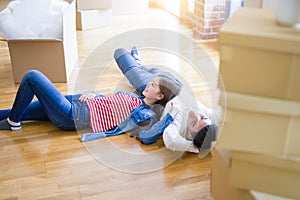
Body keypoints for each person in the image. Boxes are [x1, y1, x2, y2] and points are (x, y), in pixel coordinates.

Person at [0, 67, 181, 138]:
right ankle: (13, 120)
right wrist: (94, 95)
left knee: (32, 76)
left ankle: (13, 123)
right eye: (152, 81)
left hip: (72, 116)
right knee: (13, 110)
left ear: (159, 97)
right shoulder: (137, 97)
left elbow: (147, 137)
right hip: (75, 102)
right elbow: (111, 103)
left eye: (154, 84)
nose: (149, 83)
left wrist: (170, 117)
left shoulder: (145, 115)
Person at [114, 47, 219, 155]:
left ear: (190, 135)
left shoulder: (177, 122)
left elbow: (170, 141)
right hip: (172, 81)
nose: (195, 114)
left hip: (154, 87)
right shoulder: (208, 115)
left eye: (194, 122)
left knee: (120, 53)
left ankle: (137, 65)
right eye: (203, 117)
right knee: (151, 70)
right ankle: (139, 63)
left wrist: (194, 148)